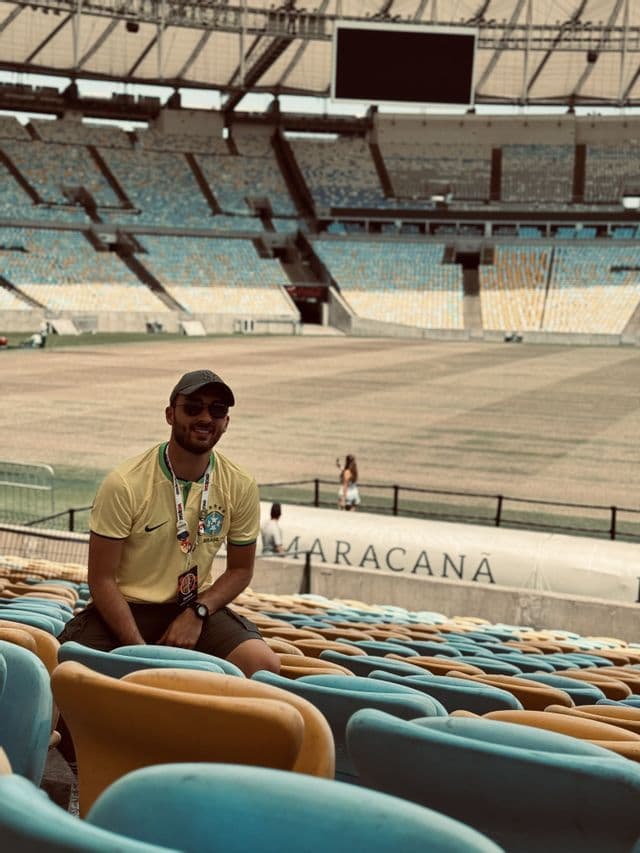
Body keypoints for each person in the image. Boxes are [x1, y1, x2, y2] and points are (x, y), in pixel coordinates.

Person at [57, 368, 280, 678]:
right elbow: (102, 580)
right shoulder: (125, 483)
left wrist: (198, 611)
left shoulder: (240, 484)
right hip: (126, 606)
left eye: (217, 410)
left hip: (194, 605)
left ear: (226, 423)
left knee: (262, 665)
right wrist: (140, 653)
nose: (205, 417)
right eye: (193, 407)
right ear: (169, 414)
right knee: (66, 668)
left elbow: (241, 570)